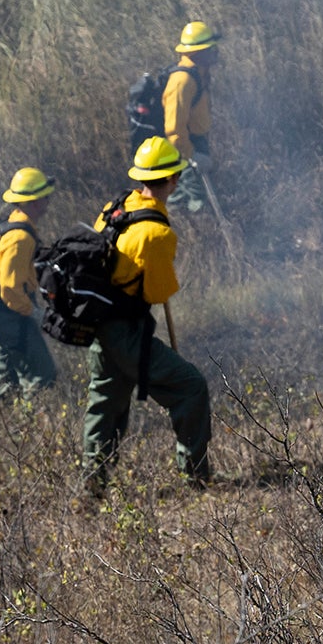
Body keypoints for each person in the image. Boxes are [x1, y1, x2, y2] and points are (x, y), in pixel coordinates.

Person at [82, 136, 213, 501]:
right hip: (126, 330)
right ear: (172, 180)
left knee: (105, 404)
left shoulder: (118, 206)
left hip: (100, 323)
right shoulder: (156, 234)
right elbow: (158, 294)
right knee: (190, 387)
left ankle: (92, 489)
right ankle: (196, 477)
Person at [0, 167, 59, 402]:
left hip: (6, 312)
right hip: (13, 313)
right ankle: (27, 429)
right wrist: (33, 313)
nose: (48, 202)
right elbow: (9, 287)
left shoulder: (15, 226)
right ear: (33, 202)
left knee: (6, 375)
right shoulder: (20, 237)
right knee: (42, 374)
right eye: (45, 197)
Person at [140, 19, 219, 215]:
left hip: (194, 143)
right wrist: (192, 156)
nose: (215, 52)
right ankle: (197, 237)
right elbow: (174, 130)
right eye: (210, 49)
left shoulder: (198, 72)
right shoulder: (182, 82)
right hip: (185, 147)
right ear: (198, 52)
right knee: (196, 200)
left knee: (179, 198)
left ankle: (178, 223)